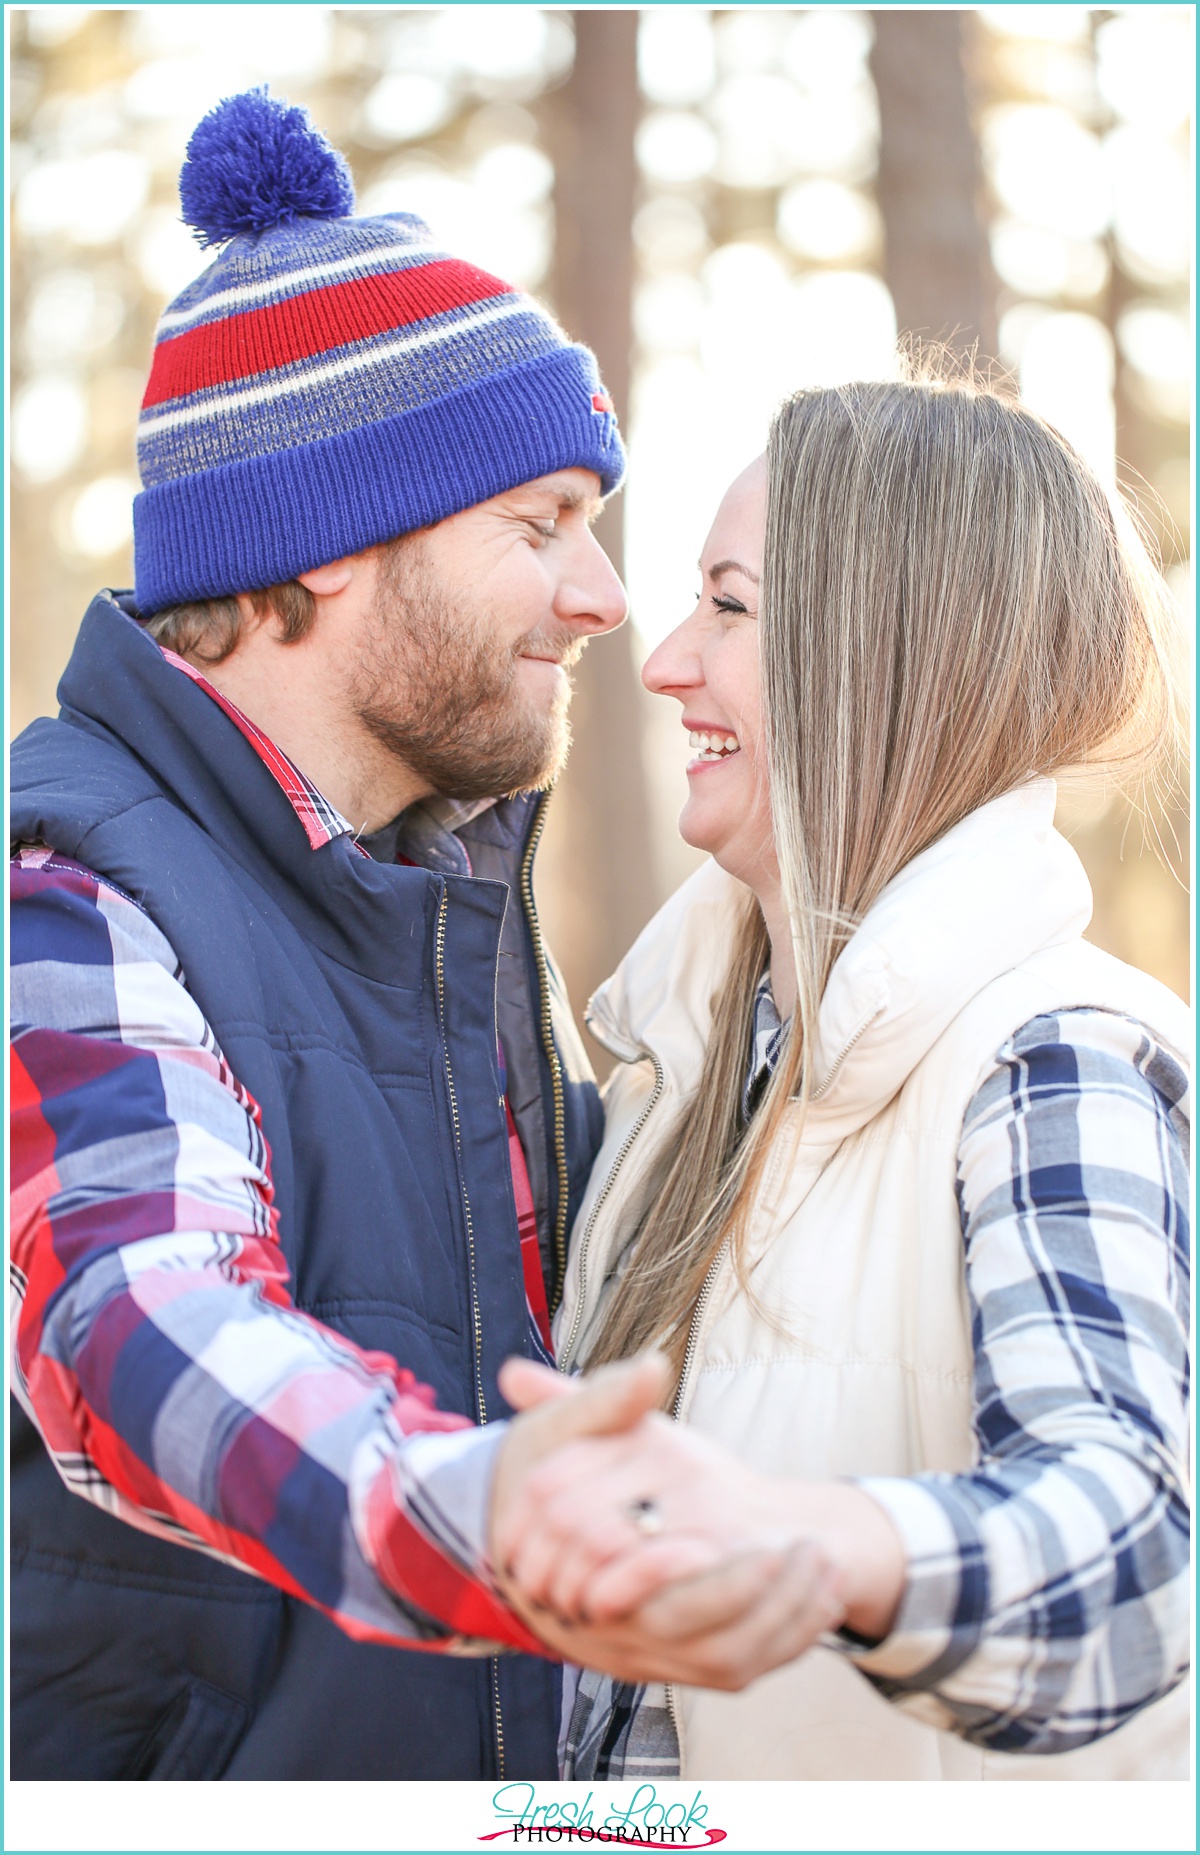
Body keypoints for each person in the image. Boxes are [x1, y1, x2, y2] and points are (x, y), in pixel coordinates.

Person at [8, 91, 839, 1782]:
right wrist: (465, 1507)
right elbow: (131, 1306)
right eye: (540, 525)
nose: (606, 601)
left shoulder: (444, 916)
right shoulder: (68, 896)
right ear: (322, 547)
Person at [493, 372, 1192, 1781]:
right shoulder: (675, 1076)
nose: (666, 659)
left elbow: (1131, 1562)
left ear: (887, 653)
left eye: (730, 607)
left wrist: (816, 1547)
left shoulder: (1056, 1054)